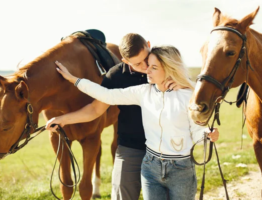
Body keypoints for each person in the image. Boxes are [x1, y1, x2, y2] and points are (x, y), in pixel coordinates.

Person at [50, 45, 219, 200]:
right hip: (151, 166)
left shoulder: (187, 95)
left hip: (181, 169)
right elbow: (105, 95)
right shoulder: (142, 92)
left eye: (153, 67)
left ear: (169, 68)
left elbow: (197, 130)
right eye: (147, 66)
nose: (147, 71)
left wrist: (207, 135)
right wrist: (74, 80)